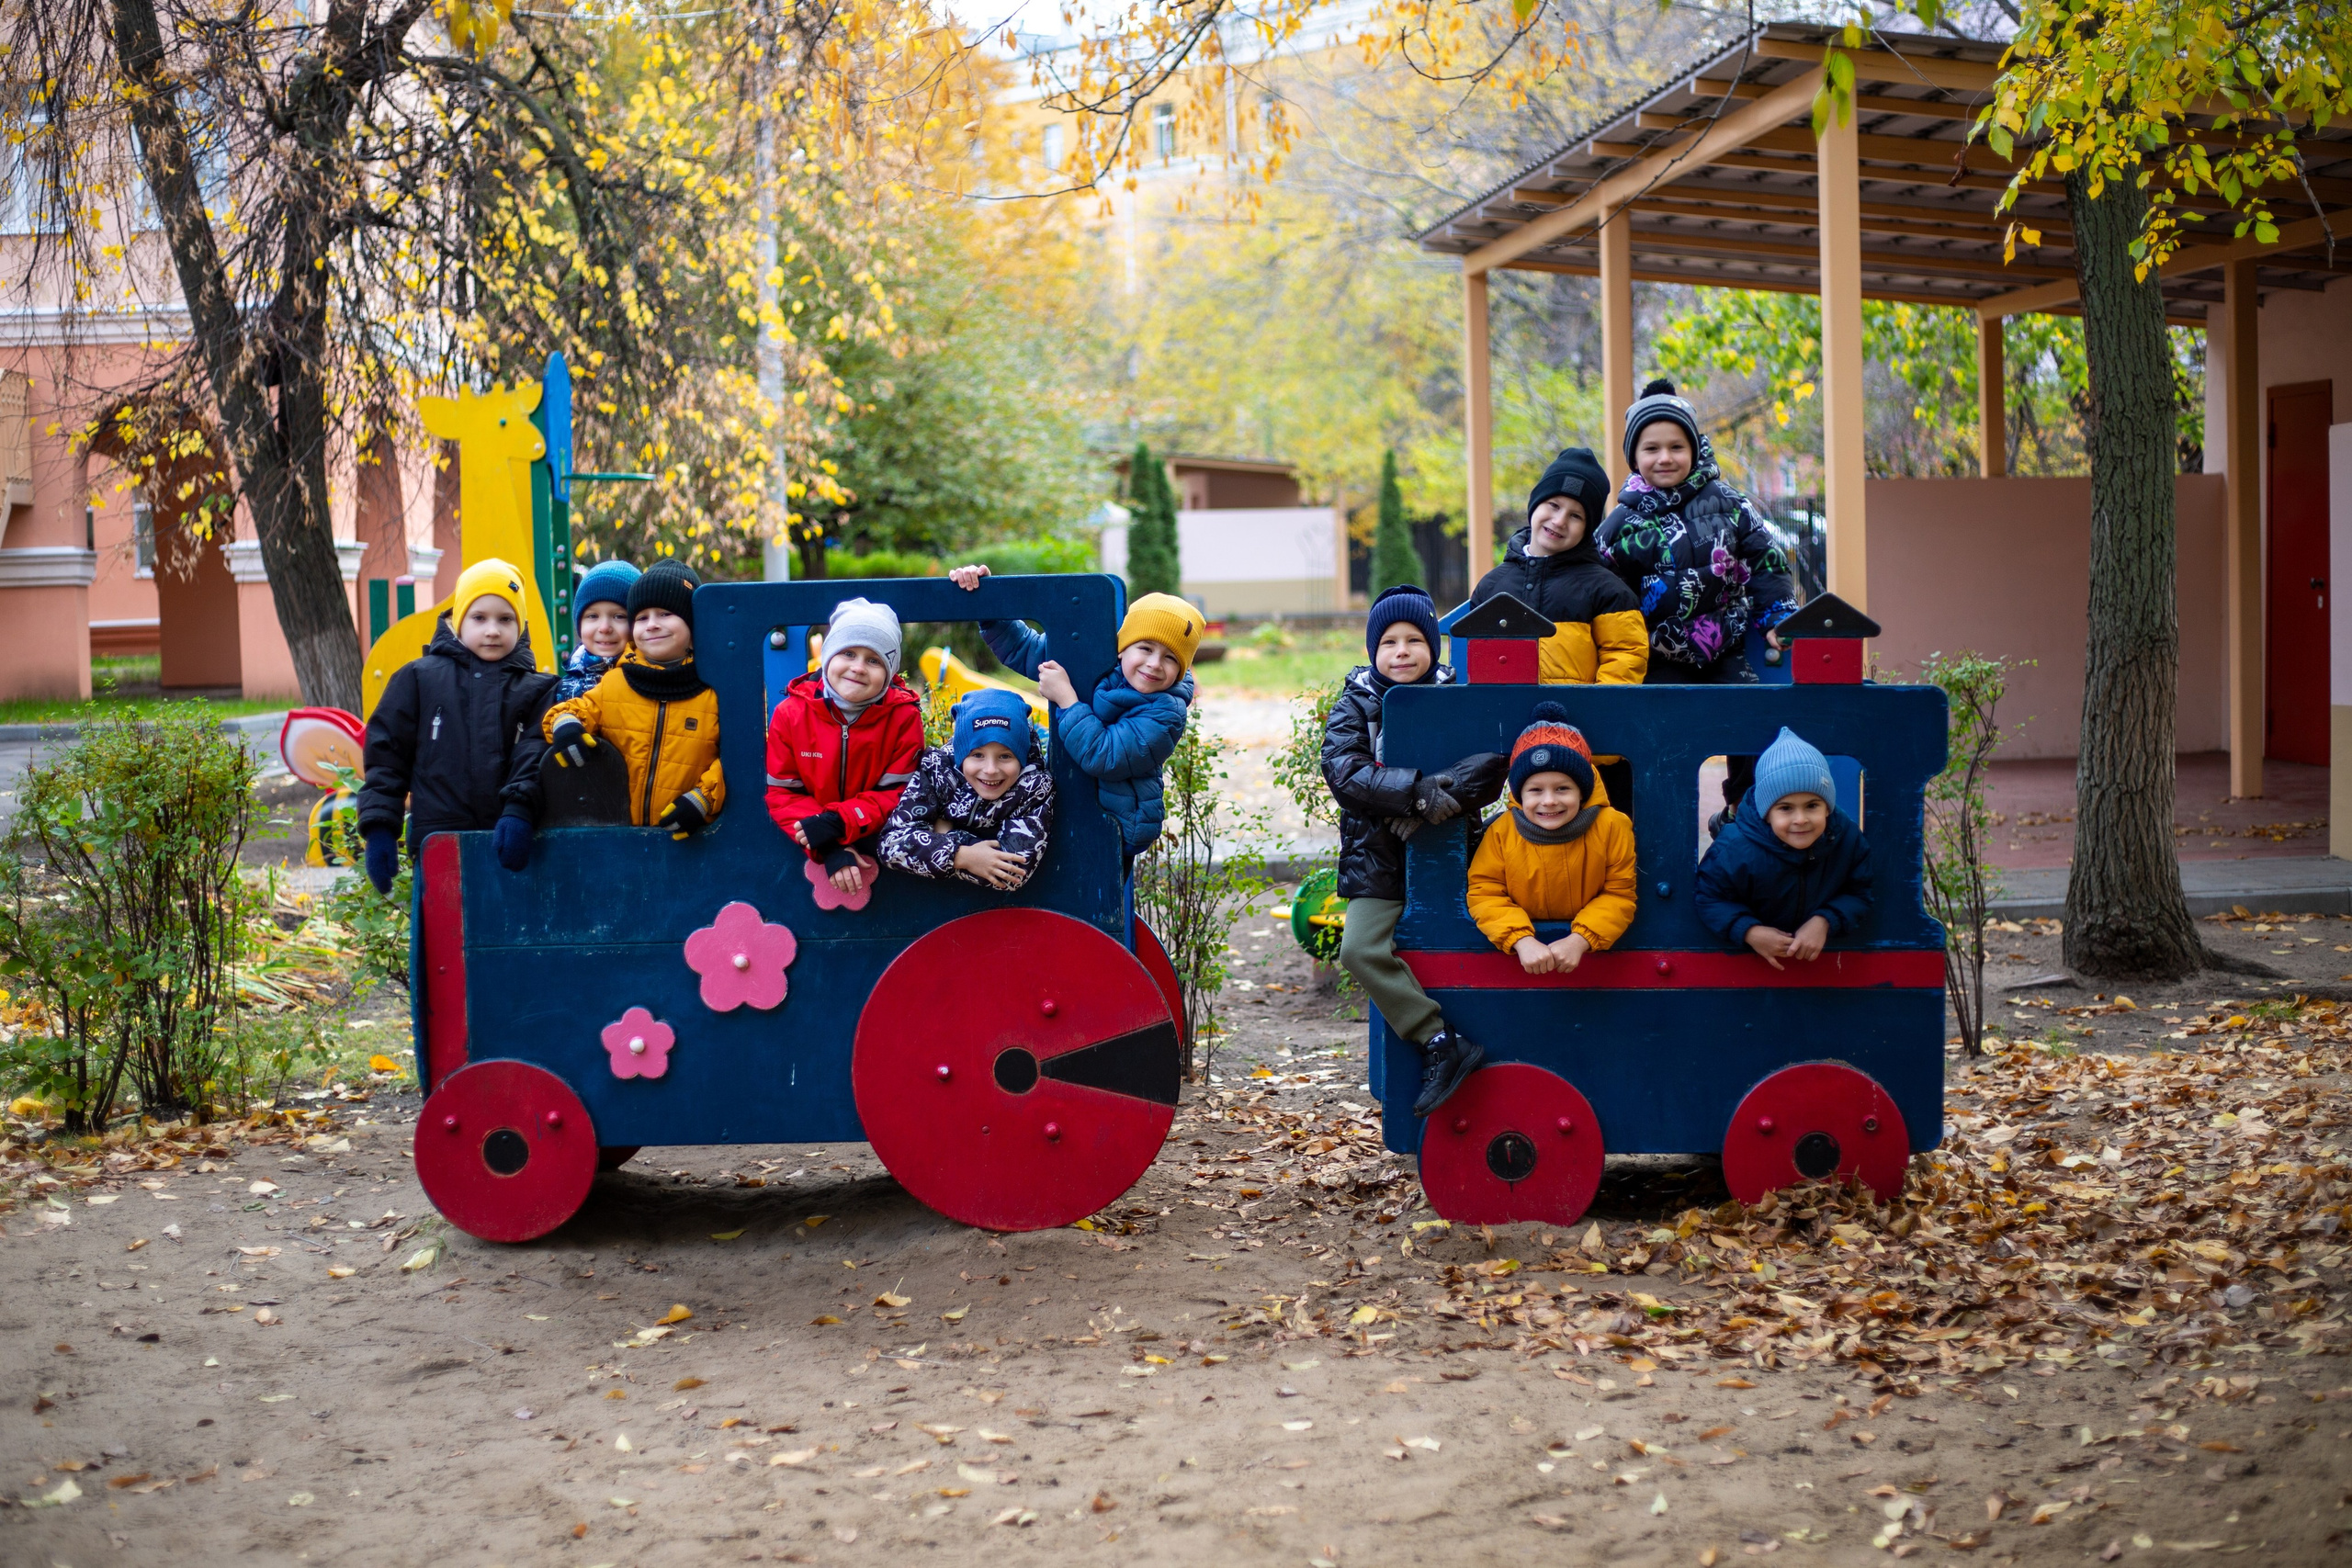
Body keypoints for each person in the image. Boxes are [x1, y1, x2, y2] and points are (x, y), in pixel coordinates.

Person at [1321, 584, 1506, 1116]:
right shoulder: (1355, 702)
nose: (1401, 652)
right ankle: (1438, 1041)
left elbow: (1490, 765)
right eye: (1389, 643)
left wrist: (1427, 796)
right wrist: (1412, 792)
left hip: (1453, 856)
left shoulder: (1457, 695)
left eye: (1414, 640)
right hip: (1377, 860)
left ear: (1434, 646)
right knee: (1360, 949)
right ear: (1372, 651)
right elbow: (1344, 771)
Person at [948, 563, 1195, 861]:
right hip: (1073, 806)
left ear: (1181, 671)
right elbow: (1024, 647)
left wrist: (1067, 699)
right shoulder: (1095, 661)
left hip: (1117, 826)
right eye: (1145, 648)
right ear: (1122, 647)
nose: (1155, 663)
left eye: (1170, 658)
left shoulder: (1166, 711)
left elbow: (1106, 755)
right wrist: (989, 603)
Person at [358, 557, 556, 891]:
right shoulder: (418, 680)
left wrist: (520, 811)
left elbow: (535, 756)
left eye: (505, 619)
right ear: (459, 621)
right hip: (440, 848)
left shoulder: (538, 689)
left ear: (521, 625)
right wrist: (379, 828)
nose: (492, 630)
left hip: (512, 843)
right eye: (479, 617)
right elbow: (386, 756)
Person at [1597, 378, 1799, 684]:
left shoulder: (1729, 503)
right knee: (1664, 725)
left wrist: (1776, 617)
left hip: (1728, 645)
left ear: (1694, 450)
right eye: (1652, 449)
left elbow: (1766, 559)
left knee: (1741, 718)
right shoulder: (1621, 522)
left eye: (1676, 447)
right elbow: (1599, 583)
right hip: (1655, 655)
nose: (1665, 457)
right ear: (1634, 457)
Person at [542, 558, 724, 840]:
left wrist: (704, 798)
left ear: (693, 623)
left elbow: (741, 757)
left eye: (665, 614)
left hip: (689, 839)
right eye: (641, 617)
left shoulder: (715, 690)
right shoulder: (616, 681)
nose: (651, 625)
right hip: (620, 838)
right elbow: (577, 709)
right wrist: (566, 725)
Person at [763, 597, 925, 897]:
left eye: (874, 660)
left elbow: (899, 793)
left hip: (876, 843)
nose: (858, 667)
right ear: (827, 655)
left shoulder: (903, 717)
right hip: (810, 842)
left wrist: (841, 821)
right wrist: (829, 847)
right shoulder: (791, 714)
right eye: (848, 653)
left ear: (889, 672)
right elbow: (784, 792)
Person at [1465, 704, 1637, 974]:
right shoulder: (1502, 831)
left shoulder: (1612, 827)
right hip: (1520, 959)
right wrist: (1520, 939)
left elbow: (1619, 894)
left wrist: (1581, 939)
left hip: (1594, 962)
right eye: (1535, 790)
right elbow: (1485, 892)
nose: (1549, 801)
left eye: (1562, 788)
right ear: (1521, 795)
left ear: (1582, 792)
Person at [1695, 727, 1874, 969]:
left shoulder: (1846, 839)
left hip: (1821, 970)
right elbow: (1708, 896)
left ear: (1827, 807)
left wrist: (1825, 920)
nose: (1800, 819)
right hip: (1750, 969)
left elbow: (1860, 890)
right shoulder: (1735, 848)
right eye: (1786, 808)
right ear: (1766, 813)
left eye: (1812, 805)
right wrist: (1749, 931)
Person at [1466, 446, 1647, 684]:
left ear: (1587, 529)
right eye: (1553, 505)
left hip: (1578, 718)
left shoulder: (1607, 591)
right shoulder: (1492, 586)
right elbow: (1474, 658)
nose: (1560, 521)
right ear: (1535, 504)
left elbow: (1627, 655)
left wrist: (1599, 708)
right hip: (1505, 716)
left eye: (1576, 516)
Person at [877, 688, 1055, 890]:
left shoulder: (1034, 788)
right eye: (977, 755)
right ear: (961, 754)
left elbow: (1011, 872)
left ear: (1021, 757)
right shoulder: (938, 770)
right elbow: (891, 845)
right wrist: (960, 855)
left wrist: (948, 834)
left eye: (1005, 756)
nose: (990, 770)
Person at [557, 558, 639, 701]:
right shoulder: (568, 684)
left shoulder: (649, 678)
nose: (604, 628)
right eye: (593, 616)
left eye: (619, 616)